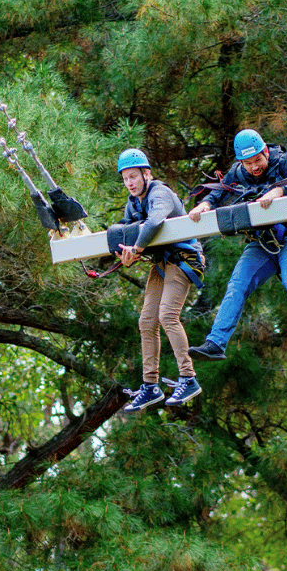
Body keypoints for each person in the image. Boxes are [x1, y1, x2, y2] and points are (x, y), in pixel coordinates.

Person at [187, 129, 287, 366]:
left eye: (258, 160)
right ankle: (216, 343)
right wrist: (205, 204)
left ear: (266, 151)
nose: (255, 167)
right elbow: (218, 192)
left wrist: (278, 190)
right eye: (248, 163)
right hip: (262, 242)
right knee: (237, 284)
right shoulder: (238, 173)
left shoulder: (283, 161)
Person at [115, 148, 204, 413]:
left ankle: (188, 378)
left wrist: (137, 249)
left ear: (146, 174)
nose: (130, 183)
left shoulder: (160, 193)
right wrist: (123, 254)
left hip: (184, 259)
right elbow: (123, 229)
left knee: (167, 315)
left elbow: (154, 222)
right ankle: (150, 385)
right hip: (162, 263)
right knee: (146, 321)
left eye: (134, 176)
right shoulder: (133, 203)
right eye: (125, 179)